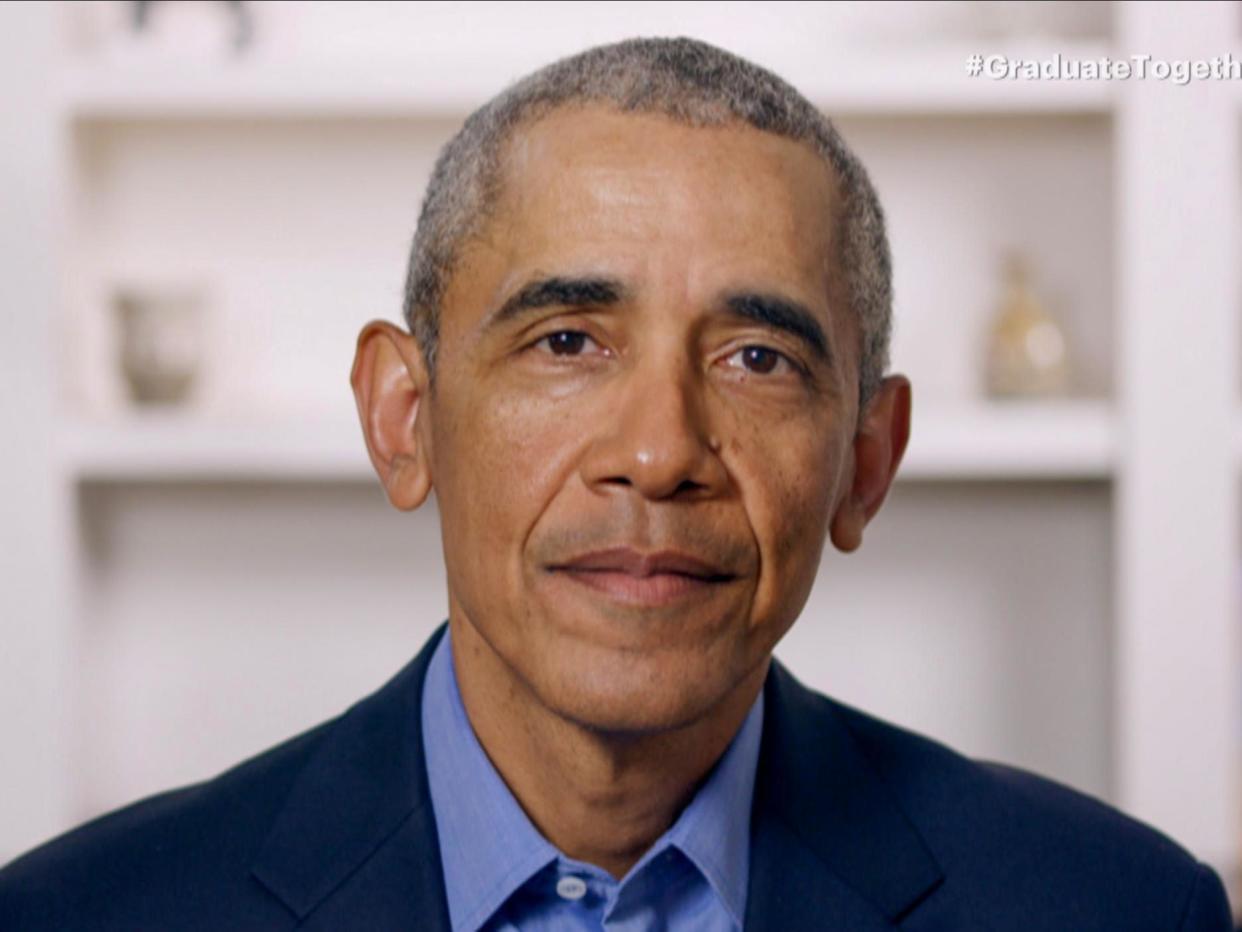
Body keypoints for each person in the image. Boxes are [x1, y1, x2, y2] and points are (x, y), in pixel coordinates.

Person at [0, 36, 1232, 931]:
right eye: (568, 341)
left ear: (867, 460)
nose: (659, 451)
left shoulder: (1120, 907)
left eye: (758, 357)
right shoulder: (77, 915)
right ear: (405, 415)